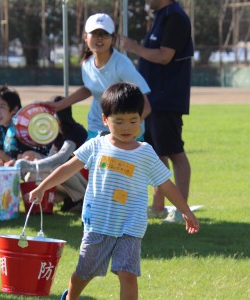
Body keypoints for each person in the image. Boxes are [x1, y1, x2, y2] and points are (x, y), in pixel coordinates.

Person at [28, 83, 199, 300]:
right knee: (84, 272)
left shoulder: (145, 152)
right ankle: (71, 297)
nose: (127, 127)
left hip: (131, 226)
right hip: (99, 223)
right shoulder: (96, 145)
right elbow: (68, 168)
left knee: (128, 274)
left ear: (141, 119)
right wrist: (43, 187)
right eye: (119, 121)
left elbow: (166, 184)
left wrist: (185, 211)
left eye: (133, 121)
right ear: (105, 120)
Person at [121, 0, 194, 222]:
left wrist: (133, 48)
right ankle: (158, 206)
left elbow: (164, 56)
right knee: (156, 153)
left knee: (174, 152)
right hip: (153, 99)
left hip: (167, 99)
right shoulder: (161, 16)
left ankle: (182, 211)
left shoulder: (175, 18)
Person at [47, 13, 151, 141]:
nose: (99, 38)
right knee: (89, 162)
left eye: (104, 33)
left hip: (127, 136)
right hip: (96, 128)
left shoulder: (122, 65)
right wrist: (58, 105)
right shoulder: (86, 63)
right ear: (86, 37)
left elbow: (146, 106)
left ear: (113, 39)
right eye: (95, 33)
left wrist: (124, 129)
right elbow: (90, 88)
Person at [15, 96, 88, 212]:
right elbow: (51, 157)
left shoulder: (77, 131)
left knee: (55, 168)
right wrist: (35, 164)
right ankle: (65, 200)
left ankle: (82, 199)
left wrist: (30, 165)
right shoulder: (56, 133)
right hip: (66, 178)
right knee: (32, 175)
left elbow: (61, 158)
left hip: (83, 178)